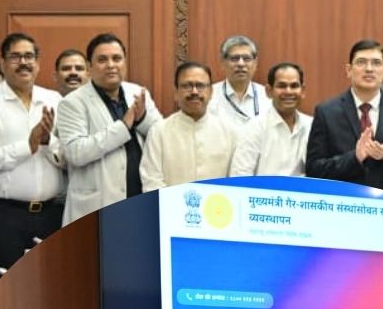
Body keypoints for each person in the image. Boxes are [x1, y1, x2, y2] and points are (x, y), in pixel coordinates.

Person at [0, 32, 66, 269]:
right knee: (9, 285)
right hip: (4, 216)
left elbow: (69, 157)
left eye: (29, 56)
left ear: (38, 63)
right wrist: (26, 147)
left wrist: (47, 142)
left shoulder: (54, 100)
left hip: (51, 213)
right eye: (16, 57)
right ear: (3, 63)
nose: (23, 62)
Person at [57, 33, 163, 224]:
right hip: (96, 206)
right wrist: (123, 127)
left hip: (139, 198)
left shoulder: (138, 93)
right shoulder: (72, 102)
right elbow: (75, 153)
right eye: (102, 60)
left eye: (117, 58)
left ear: (125, 62)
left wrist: (141, 119)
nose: (111, 65)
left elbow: (161, 136)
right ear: (89, 66)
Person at [305, 39, 383, 193]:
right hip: (342, 203)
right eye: (361, 62)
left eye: (376, 63)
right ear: (349, 70)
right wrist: (354, 157)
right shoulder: (326, 112)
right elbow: (313, 171)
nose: (369, 69)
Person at [140, 62, 235, 190]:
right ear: (176, 92)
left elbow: (236, 180)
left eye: (200, 86)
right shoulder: (159, 132)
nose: (194, 91)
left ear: (211, 92)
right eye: (187, 86)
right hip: (170, 203)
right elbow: (151, 181)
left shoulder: (230, 132)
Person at [229, 63, 313, 177]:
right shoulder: (254, 128)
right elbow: (240, 175)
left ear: (303, 90)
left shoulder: (311, 125)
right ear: (269, 91)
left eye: (294, 86)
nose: (288, 91)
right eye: (282, 86)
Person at [206, 35, 264, 134]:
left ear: (255, 63)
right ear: (222, 62)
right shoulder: (208, 95)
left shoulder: (268, 97)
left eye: (246, 58)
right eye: (234, 58)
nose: (241, 64)